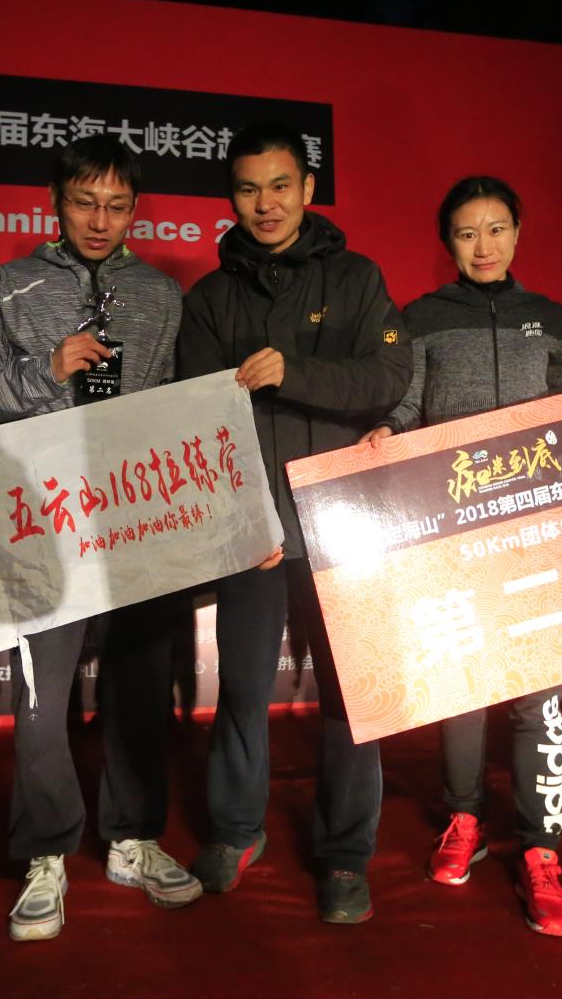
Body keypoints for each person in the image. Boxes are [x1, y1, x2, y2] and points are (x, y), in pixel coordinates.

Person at [178, 121, 412, 924]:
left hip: (345, 523)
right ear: (231, 198)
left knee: (353, 693)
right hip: (254, 529)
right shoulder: (210, 298)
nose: (265, 203)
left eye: (280, 185)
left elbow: (388, 375)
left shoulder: (356, 278)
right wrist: (240, 514)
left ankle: (345, 856)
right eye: (248, 189)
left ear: (308, 189)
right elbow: (196, 417)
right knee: (243, 689)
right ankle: (236, 830)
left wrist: (295, 372)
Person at [0, 134, 197, 942]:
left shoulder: (160, 294)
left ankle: (133, 838)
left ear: (135, 210)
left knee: (139, 685)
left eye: (117, 205)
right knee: (41, 697)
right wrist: (49, 368)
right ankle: (45, 851)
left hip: (136, 517)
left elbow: (177, 402)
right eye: (84, 202)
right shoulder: (8, 287)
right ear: (55, 202)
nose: (100, 220)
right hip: (42, 518)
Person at [361, 176, 562, 935]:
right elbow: (407, 399)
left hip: (536, 528)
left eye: (496, 229)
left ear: (518, 233)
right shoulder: (422, 316)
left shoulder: (547, 315)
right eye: (466, 232)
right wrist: (388, 430)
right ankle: (465, 819)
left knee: (537, 689)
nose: (483, 245)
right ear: (447, 242)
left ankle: (542, 848)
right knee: (461, 680)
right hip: (452, 526)